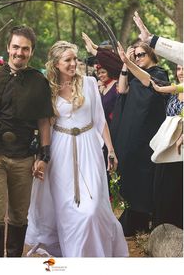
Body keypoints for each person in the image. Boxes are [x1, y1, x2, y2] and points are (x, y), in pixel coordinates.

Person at [25, 41, 128, 257]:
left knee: (91, 210)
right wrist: (42, 157)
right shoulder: (48, 89)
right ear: (55, 64)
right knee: (68, 211)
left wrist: (110, 149)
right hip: (60, 151)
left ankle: (96, 255)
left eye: (75, 59)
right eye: (67, 60)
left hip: (89, 148)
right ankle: (74, 258)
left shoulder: (89, 83)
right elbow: (45, 125)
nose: (73, 64)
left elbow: (100, 120)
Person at [0, 25, 54, 257]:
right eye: (15, 47)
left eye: (25, 49)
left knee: (18, 215)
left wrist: (44, 157)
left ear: (31, 52)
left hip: (24, 158)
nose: (19, 52)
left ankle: (13, 263)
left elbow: (44, 122)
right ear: (8, 48)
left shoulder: (38, 81)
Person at [114, 42, 169, 236]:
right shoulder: (135, 72)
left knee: (145, 177)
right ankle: (133, 217)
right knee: (131, 175)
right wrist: (124, 65)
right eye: (135, 56)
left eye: (141, 54)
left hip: (148, 136)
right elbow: (122, 90)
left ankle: (144, 220)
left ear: (152, 54)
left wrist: (129, 63)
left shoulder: (159, 73)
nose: (138, 58)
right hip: (132, 136)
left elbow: (149, 82)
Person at [151, 65, 183, 229]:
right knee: (164, 188)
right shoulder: (173, 91)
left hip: (181, 150)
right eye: (178, 68)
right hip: (167, 147)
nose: (181, 72)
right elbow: (147, 79)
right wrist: (126, 62)